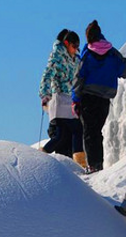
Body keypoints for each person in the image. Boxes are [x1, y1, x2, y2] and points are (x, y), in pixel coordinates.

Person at [72, 20, 126, 173]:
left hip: (88, 98)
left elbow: (79, 77)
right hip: (104, 100)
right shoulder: (112, 53)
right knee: (96, 131)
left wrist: (75, 99)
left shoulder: (88, 53)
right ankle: (97, 164)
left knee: (90, 133)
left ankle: (93, 166)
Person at [39, 29, 87, 168]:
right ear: (66, 43)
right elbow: (47, 75)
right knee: (70, 131)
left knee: (68, 133)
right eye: (74, 46)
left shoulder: (75, 58)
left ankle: (42, 156)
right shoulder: (57, 56)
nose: (75, 49)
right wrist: (45, 95)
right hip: (59, 99)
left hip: (70, 99)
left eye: (77, 47)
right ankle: (78, 162)